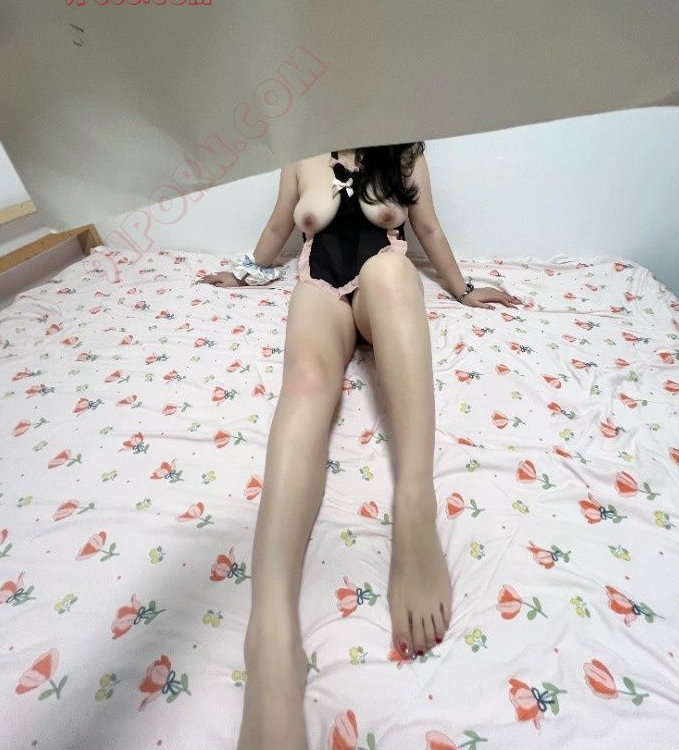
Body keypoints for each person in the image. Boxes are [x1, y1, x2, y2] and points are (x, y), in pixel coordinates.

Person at [199, 143, 522, 750]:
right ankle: (270, 634)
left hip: (383, 289)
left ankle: (415, 508)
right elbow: (278, 226)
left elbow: (428, 229)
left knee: (394, 272)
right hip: (318, 287)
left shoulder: (405, 151)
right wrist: (243, 272)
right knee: (306, 384)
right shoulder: (299, 151)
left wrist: (464, 289)